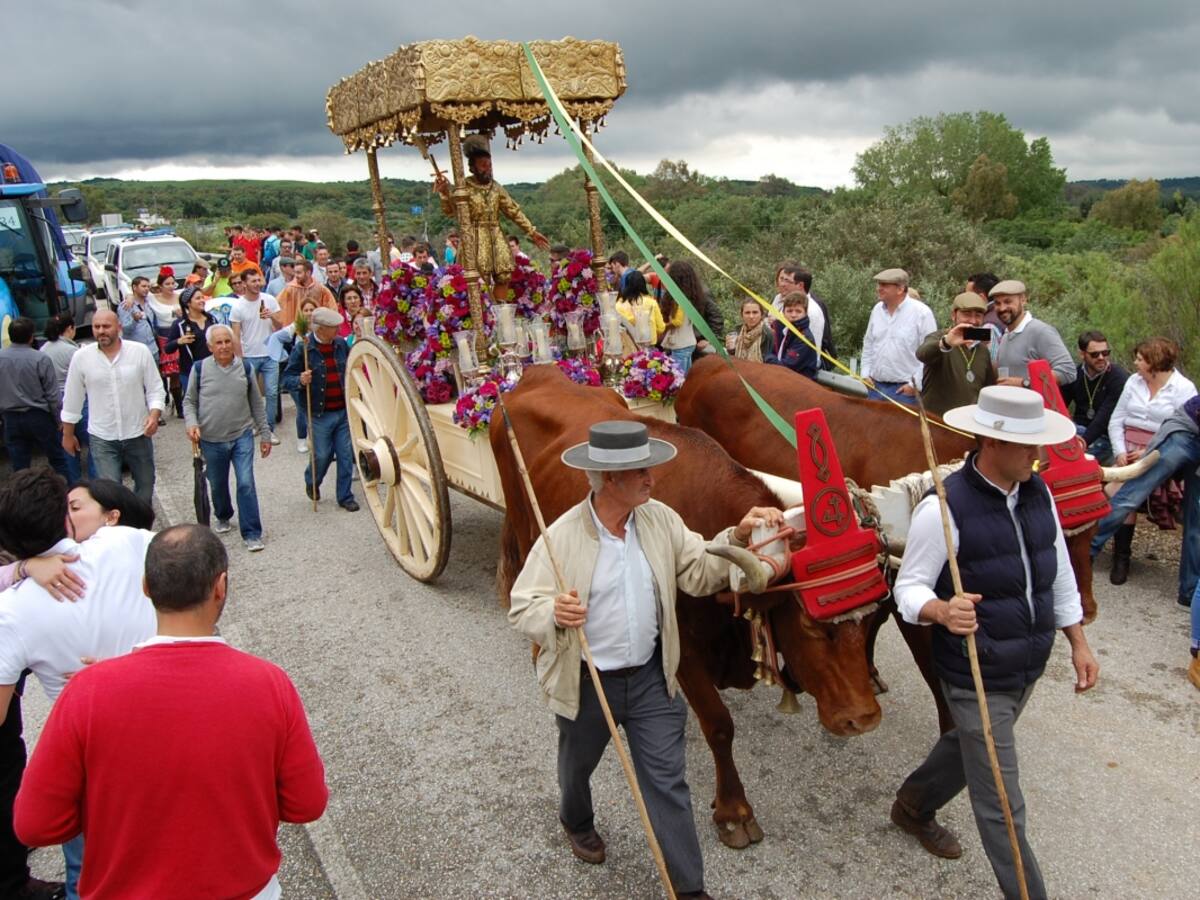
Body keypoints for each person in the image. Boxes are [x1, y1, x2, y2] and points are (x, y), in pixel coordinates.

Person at [508, 420, 782, 899]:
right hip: (589, 682)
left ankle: (689, 889)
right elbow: (522, 606)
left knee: (667, 783)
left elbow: (698, 572)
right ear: (609, 479)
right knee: (577, 763)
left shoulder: (660, 520)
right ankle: (575, 819)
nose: (652, 477)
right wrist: (552, 611)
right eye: (641, 470)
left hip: (654, 680)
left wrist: (737, 537)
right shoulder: (562, 537)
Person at [14, 524, 328, 900]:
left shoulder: (87, 691)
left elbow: (35, 824)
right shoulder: (269, 684)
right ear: (221, 586)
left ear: (145, 586)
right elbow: (306, 803)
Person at [890, 385, 1099, 900]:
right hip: (974, 670)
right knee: (1002, 798)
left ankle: (912, 806)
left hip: (1025, 662)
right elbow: (908, 589)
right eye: (1029, 444)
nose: (1038, 454)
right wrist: (940, 609)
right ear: (991, 442)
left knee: (970, 746)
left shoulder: (1038, 492)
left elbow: (1060, 573)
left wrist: (1077, 640)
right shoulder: (943, 509)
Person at [0, 468, 159, 898]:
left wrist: (20, 571)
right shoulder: (126, 542)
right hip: (159, 724)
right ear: (65, 519)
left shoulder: (10, 611)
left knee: (86, 872)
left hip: (89, 752)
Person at [1098, 337, 1196, 585]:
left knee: (1124, 490)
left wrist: (1148, 452)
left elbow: (1181, 430)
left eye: (1140, 359)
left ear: (1154, 362)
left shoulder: (1183, 389)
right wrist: (1120, 451)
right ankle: (1120, 556)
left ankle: (1096, 548)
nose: (1135, 363)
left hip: (1160, 452)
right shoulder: (1133, 381)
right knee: (1116, 486)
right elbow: (1116, 419)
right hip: (1126, 450)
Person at [1092, 395, 1200, 607]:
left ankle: (1190, 592)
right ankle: (1084, 553)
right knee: (1131, 496)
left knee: (1197, 522)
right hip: (1185, 431)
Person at [61, 309, 165, 503]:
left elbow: (155, 389)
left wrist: (154, 415)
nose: (101, 331)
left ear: (119, 327)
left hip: (138, 433)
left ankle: (140, 527)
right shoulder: (81, 358)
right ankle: (119, 530)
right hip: (103, 437)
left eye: (106, 326)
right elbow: (72, 398)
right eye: (96, 326)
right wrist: (68, 434)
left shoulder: (139, 352)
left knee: (146, 484)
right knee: (110, 493)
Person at [184, 326, 271, 551]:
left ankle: (252, 533)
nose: (224, 346)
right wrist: (192, 423)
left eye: (227, 341)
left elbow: (256, 403)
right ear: (210, 346)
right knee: (218, 483)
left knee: (245, 483)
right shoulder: (200, 369)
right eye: (219, 343)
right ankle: (223, 514)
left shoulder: (245, 367)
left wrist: (265, 434)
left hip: (241, 435)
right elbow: (189, 401)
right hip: (211, 439)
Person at [433, 136, 549, 300]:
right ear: (473, 168)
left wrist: (531, 231)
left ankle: (501, 312)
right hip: (474, 237)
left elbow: (513, 211)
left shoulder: (496, 187)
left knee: (504, 273)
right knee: (479, 278)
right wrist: (445, 193)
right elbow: (450, 211)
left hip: (496, 235)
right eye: (483, 166)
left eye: (489, 166)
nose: (487, 169)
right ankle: (484, 316)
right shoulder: (464, 187)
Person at [282, 307, 359, 511]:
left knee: (344, 455)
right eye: (333, 328)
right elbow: (286, 378)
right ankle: (312, 480)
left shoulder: (341, 345)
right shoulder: (304, 348)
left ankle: (345, 496)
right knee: (322, 454)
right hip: (319, 413)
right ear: (321, 329)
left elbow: (353, 368)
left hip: (342, 410)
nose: (338, 331)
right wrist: (300, 379)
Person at [0, 317, 71, 480]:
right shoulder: (40, 359)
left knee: (20, 467)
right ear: (32, 336)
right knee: (58, 460)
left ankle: (21, 501)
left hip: (10, 418)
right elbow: (52, 394)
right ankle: (69, 496)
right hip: (38, 416)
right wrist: (58, 419)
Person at [860, 268, 938, 405]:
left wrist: (914, 385)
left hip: (904, 392)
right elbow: (869, 343)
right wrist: (865, 374)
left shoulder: (922, 313)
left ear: (900, 289)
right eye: (879, 284)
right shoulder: (877, 310)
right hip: (875, 387)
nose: (879, 288)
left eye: (884, 285)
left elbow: (930, 354)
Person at [915, 291, 996, 416]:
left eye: (978, 315)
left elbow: (987, 388)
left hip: (966, 424)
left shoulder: (982, 350)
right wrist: (946, 343)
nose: (973, 321)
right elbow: (922, 354)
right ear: (954, 315)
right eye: (967, 314)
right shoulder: (940, 337)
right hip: (938, 422)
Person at [230, 270, 283, 445]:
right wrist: (239, 358)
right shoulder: (238, 306)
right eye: (253, 281)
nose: (257, 283)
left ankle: (269, 429)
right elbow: (236, 335)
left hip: (271, 353)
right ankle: (254, 424)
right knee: (251, 393)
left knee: (272, 392)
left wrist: (272, 316)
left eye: (259, 280)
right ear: (244, 283)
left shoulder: (269, 300)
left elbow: (280, 325)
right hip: (250, 355)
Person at [40, 313, 94, 483]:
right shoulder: (73, 351)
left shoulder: (43, 350)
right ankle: (95, 480)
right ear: (70, 329)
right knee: (94, 442)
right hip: (77, 399)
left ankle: (74, 483)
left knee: (68, 444)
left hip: (55, 401)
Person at [991, 280, 1075, 387]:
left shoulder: (1041, 331)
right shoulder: (1006, 336)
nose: (1002, 308)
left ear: (1023, 300)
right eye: (997, 303)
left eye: (1008, 302)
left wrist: (1025, 383)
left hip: (1036, 404)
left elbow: (1068, 371)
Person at [1065, 330, 1128, 464]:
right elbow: (1060, 404)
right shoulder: (1074, 374)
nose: (1101, 357)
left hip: (1106, 436)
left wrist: (1083, 443)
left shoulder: (1118, 378)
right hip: (1078, 430)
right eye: (1095, 354)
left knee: (1072, 462)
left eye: (1105, 353)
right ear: (1082, 354)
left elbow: (1104, 419)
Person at [268, 297, 321, 455]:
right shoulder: (295, 327)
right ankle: (302, 439)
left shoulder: (321, 328)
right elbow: (275, 338)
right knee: (302, 408)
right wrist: (281, 356)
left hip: (316, 372)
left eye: (312, 309)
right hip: (297, 371)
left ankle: (317, 439)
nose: (309, 313)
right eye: (306, 310)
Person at [773, 264, 836, 368]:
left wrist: (772, 359)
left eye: (787, 281)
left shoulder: (812, 310)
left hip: (799, 368)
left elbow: (808, 348)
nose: (782, 284)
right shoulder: (781, 300)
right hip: (782, 361)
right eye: (781, 279)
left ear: (800, 285)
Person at [165, 285, 216, 397]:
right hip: (190, 372)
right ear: (188, 303)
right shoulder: (179, 324)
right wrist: (179, 341)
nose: (202, 300)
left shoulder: (212, 319)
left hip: (213, 369)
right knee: (194, 404)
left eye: (202, 297)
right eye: (198, 298)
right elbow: (167, 348)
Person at [660, 260, 703, 374]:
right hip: (688, 342)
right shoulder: (691, 295)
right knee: (686, 377)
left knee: (679, 380)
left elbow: (677, 321)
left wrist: (663, 326)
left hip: (680, 345)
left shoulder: (679, 299)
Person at [767, 292, 818, 378]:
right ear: (783, 312)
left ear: (805, 313)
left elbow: (786, 367)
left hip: (800, 384)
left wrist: (768, 358)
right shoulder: (783, 330)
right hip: (782, 378)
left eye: (798, 311)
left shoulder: (805, 338)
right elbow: (771, 352)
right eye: (789, 311)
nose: (793, 315)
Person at [276, 258, 337, 326]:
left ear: (308, 273)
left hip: (317, 331)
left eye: (299, 273)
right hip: (296, 330)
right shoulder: (290, 289)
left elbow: (332, 309)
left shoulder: (321, 289)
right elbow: (277, 306)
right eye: (295, 272)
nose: (296, 276)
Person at [118, 276, 160, 365]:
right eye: (143, 286)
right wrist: (134, 320)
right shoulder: (126, 306)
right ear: (134, 287)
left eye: (148, 287)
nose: (147, 289)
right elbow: (125, 330)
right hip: (136, 351)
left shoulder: (150, 302)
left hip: (153, 349)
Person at [616, 271, 666, 345]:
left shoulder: (619, 304)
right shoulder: (651, 303)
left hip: (628, 346)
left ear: (626, 285)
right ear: (643, 284)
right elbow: (661, 328)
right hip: (648, 346)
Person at [726, 298, 773, 362]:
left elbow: (768, 360)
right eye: (747, 313)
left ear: (761, 314)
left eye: (755, 312)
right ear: (742, 315)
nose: (751, 316)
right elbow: (733, 356)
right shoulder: (737, 331)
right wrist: (730, 349)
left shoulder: (766, 334)